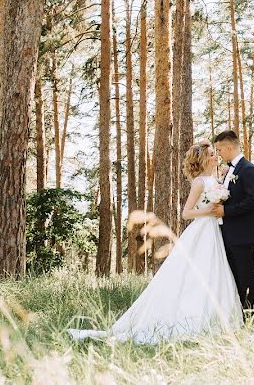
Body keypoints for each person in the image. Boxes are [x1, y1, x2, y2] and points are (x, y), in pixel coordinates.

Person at [68, 140, 243, 344]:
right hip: (201, 231)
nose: (216, 156)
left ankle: (217, 320)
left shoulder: (215, 180)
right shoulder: (199, 183)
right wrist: (210, 211)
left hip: (214, 232)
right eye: (212, 154)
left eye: (215, 153)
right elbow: (186, 213)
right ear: (203, 159)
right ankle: (191, 319)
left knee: (215, 273)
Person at [211, 129, 254, 324]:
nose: (218, 154)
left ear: (230, 147)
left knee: (247, 279)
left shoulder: (248, 170)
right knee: (235, 280)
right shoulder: (231, 170)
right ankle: (241, 320)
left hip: (243, 235)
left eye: (220, 149)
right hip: (230, 234)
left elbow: (252, 201)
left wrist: (226, 211)